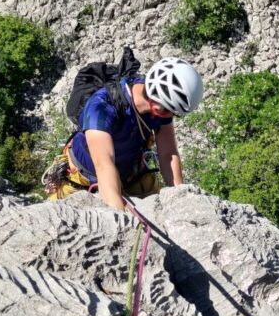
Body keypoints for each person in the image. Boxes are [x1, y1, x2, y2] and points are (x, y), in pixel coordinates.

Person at [46, 57, 204, 210]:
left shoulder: (161, 106)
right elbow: (104, 165)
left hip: (130, 173)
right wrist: (122, 219)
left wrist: (180, 200)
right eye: (172, 113)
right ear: (159, 106)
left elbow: (168, 154)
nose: (171, 118)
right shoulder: (101, 106)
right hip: (81, 178)